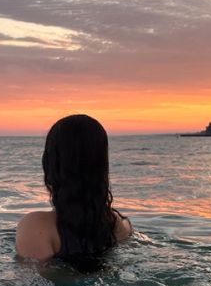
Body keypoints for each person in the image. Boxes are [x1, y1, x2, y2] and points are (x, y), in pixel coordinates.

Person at [16, 114, 132, 265]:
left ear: (51, 164)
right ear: (102, 166)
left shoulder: (35, 226)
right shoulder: (119, 226)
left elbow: (30, 284)